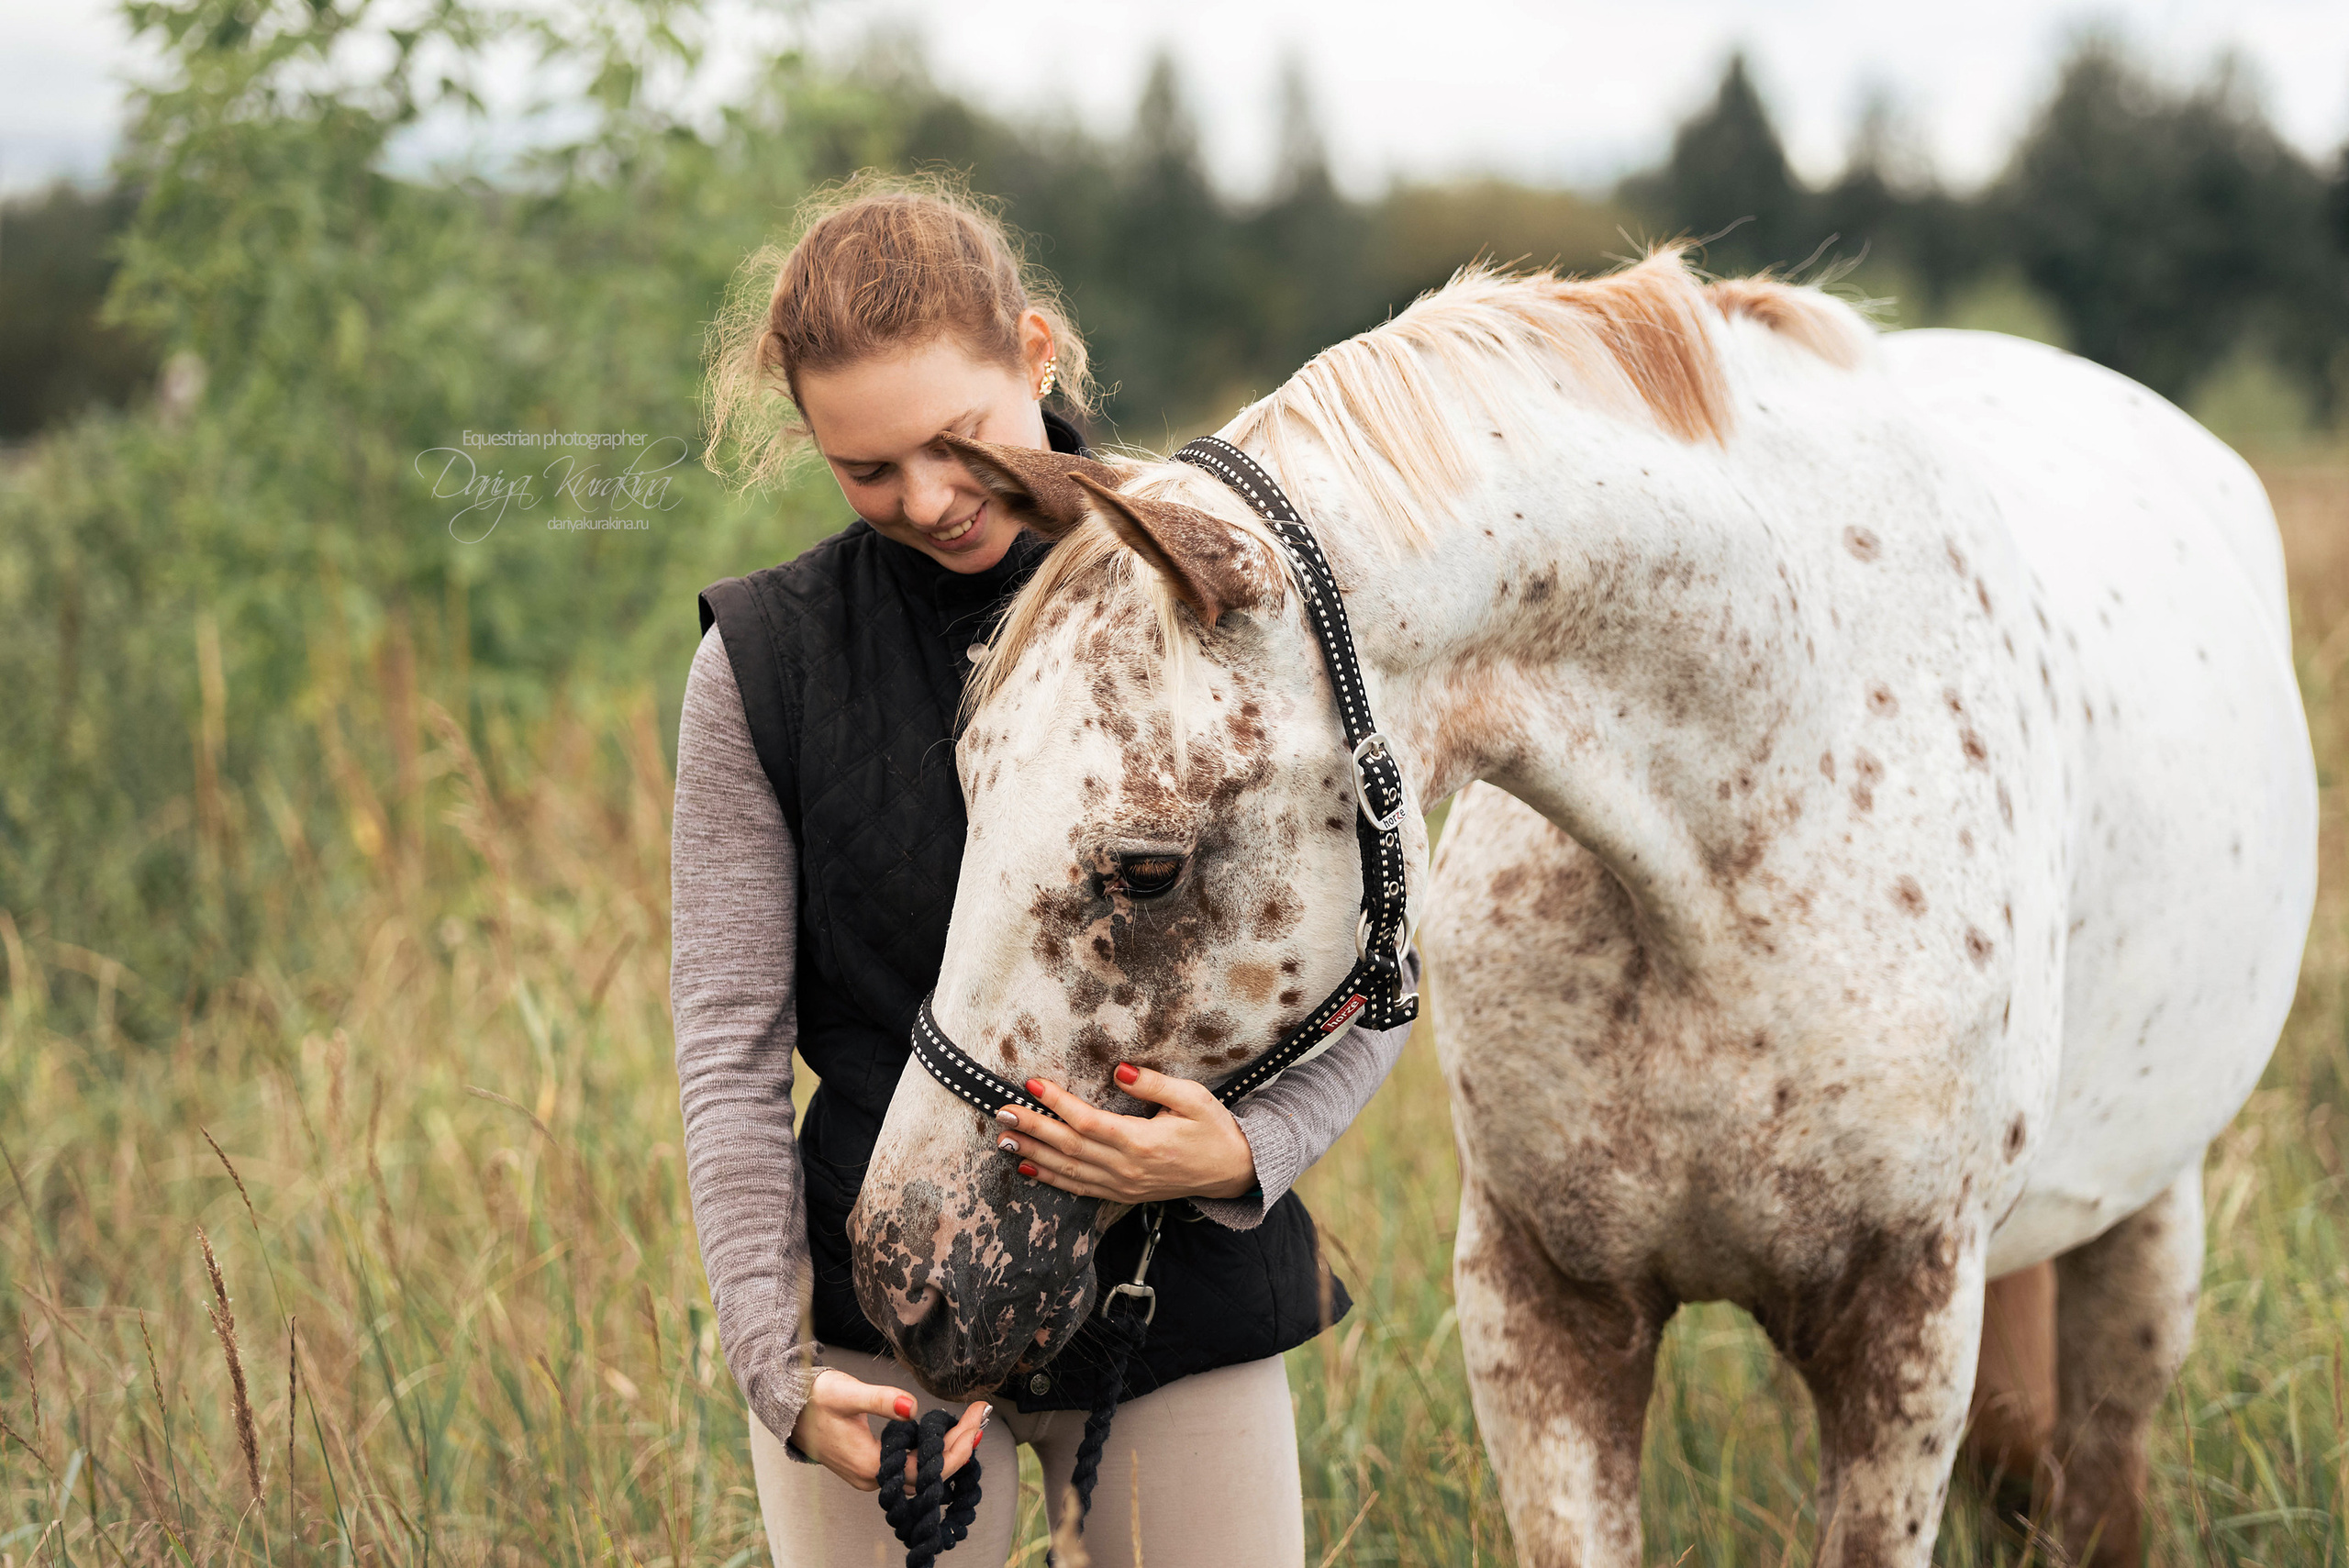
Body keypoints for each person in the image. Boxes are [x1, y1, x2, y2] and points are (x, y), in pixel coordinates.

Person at [674, 174, 1419, 1568]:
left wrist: (1253, 1148)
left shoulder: (1227, 597)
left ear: (1035, 349)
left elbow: (1384, 952)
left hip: (1172, 1282)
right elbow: (728, 1048)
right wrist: (776, 1370)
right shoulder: (763, 666)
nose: (931, 498)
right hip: (883, 1305)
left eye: (959, 440)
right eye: (868, 469)